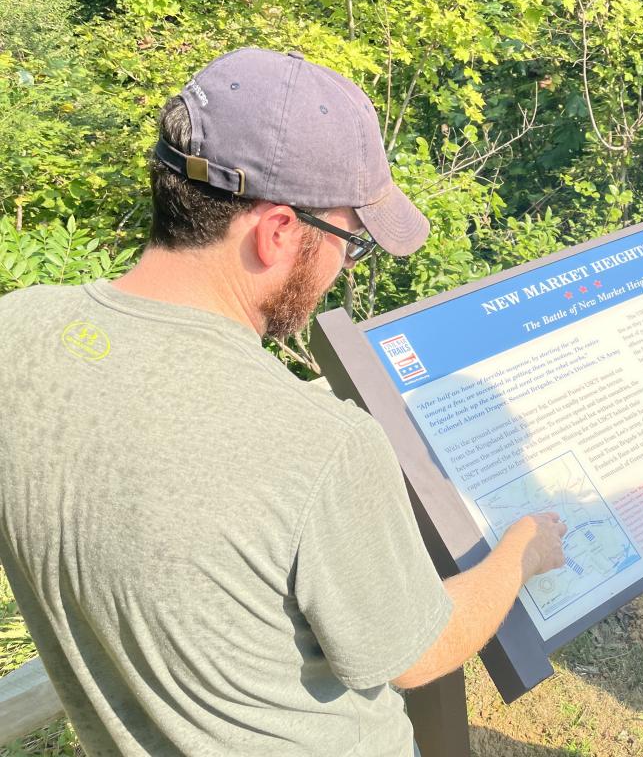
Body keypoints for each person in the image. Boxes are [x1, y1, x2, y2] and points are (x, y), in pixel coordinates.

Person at [0, 48, 567, 756]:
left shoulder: (16, 333)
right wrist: (520, 552)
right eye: (349, 244)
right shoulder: (322, 443)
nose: (341, 268)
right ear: (277, 232)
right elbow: (417, 651)